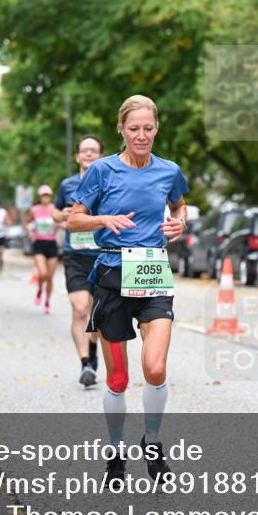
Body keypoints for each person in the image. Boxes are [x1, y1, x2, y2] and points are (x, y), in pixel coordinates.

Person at [67, 95, 189, 483]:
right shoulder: (101, 171)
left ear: (157, 128)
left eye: (148, 129)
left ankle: (152, 443)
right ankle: (116, 450)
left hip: (153, 272)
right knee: (118, 379)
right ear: (121, 129)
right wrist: (104, 219)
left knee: (155, 368)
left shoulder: (169, 171)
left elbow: (180, 205)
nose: (141, 135)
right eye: (133, 128)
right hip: (112, 275)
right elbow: (73, 221)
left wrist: (179, 223)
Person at [54, 135, 105, 387]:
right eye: (84, 150)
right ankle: (86, 363)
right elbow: (55, 213)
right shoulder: (67, 185)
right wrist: (62, 214)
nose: (88, 154)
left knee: (98, 316)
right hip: (75, 256)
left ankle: (93, 348)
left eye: (93, 151)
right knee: (80, 309)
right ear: (77, 156)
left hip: (102, 256)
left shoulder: (109, 183)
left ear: (100, 156)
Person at [26, 186, 60, 314]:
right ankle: (40, 288)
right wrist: (30, 231)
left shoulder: (55, 210)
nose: (45, 197)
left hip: (51, 244)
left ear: (50, 196)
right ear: (39, 197)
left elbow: (61, 221)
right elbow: (26, 223)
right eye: (43, 195)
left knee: (50, 277)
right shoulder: (34, 210)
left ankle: (47, 301)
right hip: (39, 244)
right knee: (43, 273)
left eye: (48, 195)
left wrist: (61, 224)